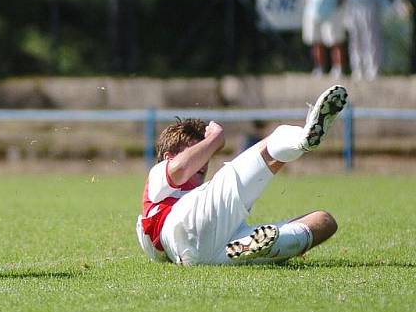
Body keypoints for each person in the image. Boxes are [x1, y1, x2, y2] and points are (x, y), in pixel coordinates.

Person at [136, 85, 348, 265]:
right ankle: (303, 138)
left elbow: (157, 251)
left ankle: (258, 245)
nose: (204, 161)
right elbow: (180, 170)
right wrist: (216, 138)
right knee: (271, 144)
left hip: (201, 257)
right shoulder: (157, 177)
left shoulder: (199, 202)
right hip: (187, 224)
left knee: (325, 221)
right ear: (168, 157)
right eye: (196, 151)